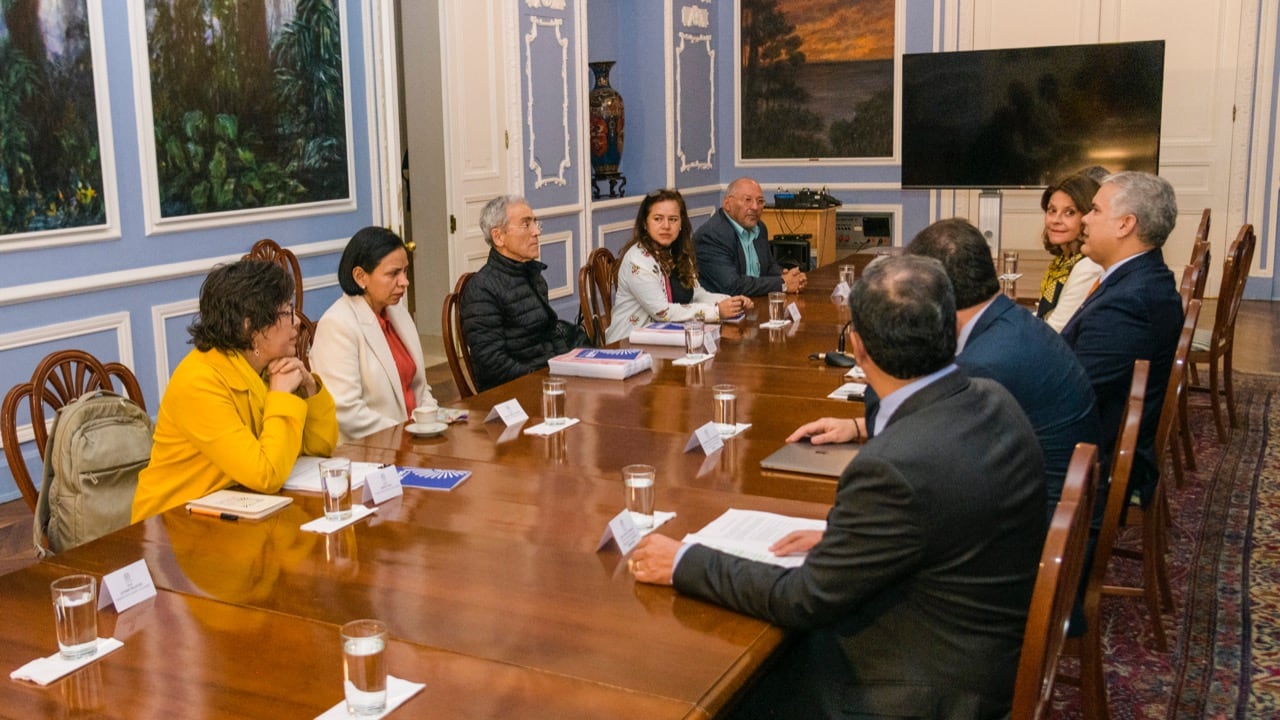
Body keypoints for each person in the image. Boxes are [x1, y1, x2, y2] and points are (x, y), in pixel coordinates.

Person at [632, 255, 1047, 719]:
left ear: (857, 347)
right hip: (981, 649)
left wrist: (685, 561)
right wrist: (850, 539)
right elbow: (941, 512)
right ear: (950, 330)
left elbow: (803, 599)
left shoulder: (892, 467)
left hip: (918, 686)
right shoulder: (994, 398)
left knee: (708, 683)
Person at [132, 260, 338, 522]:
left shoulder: (265, 369)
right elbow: (265, 475)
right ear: (249, 327)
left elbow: (319, 449)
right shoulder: (200, 381)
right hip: (175, 525)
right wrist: (282, 397)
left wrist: (309, 388)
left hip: (237, 512)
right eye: (287, 312)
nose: (297, 322)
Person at [1063, 171, 1183, 507]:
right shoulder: (1137, 279)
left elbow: (1074, 390)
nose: (1085, 218)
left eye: (1096, 210)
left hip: (1092, 458)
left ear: (1125, 224)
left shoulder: (1130, 303)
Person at [311, 226, 436, 442]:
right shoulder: (337, 324)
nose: (405, 282)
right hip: (369, 452)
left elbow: (420, 387)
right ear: (360, 276)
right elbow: (346, 411)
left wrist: (430, 422)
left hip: (412, 442)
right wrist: (406, 434)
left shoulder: (398, 313)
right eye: (393, 273)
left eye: (405, 271)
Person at [461, 195, 588, 392]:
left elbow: (550, 334)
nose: (536, 232)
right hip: (517, 394)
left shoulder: (532, 275)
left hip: (550, 382)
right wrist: (549, 382)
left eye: (536, 223)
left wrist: (573, 367)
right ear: (498, 237)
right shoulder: (481, 290)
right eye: (526, 225)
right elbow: (492, 365)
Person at [605, 189, 753, 344]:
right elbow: (663, 312)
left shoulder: (678, 253)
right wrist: (716, 311)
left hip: (665, 340)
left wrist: (731, 302)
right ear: (645, 224)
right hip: (627, 344)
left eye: (673, 219)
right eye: (658, 219)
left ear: (681, 223)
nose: (666, 226)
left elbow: (696, 295)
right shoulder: (638, 260)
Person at [694, 177, 806, 296]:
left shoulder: (759, 228)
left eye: (760, 201)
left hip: (755, 303)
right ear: (727, 204)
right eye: (747, 200)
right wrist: (782, 283)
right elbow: (732, 286)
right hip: (722, 309)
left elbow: (768, 267)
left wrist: (788, 276)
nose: (755, 207)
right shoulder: (711, 236)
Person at [1036, 173, 1103, 331]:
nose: (1056, 220)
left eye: (1069, 213)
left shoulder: (1089, 266)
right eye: (1052, 210)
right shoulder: (1062, 262)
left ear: (1088, 216)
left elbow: (1054, 331)